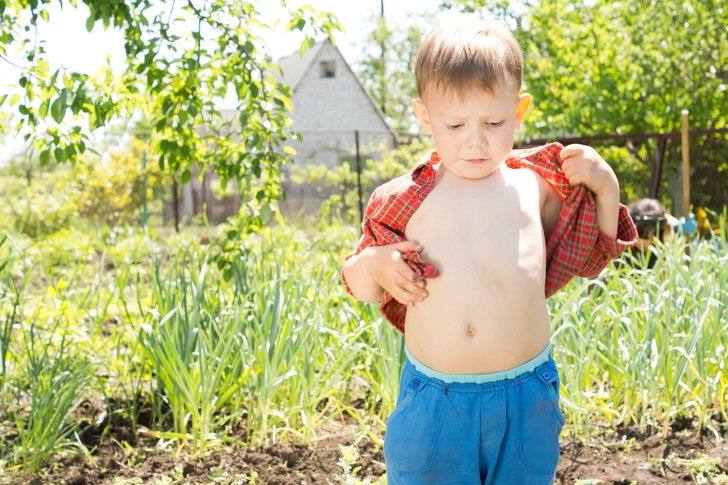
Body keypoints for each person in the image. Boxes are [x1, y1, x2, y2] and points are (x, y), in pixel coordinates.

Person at [342, 17, 638, 485]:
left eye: (494, 122)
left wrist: (606, 185)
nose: (475, 140)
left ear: (518, 111)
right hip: (434, 400)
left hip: (525, 396)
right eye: (456, 124)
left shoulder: (534, 186)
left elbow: (593, 256)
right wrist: (376, 263)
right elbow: (358, 285)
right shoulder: (406, 197)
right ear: (425, 118)